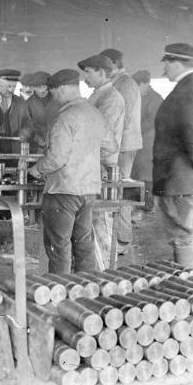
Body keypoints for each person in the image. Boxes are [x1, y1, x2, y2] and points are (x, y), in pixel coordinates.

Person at [29, 70, 117, 274]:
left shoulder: (66, 118)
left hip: (63, 190)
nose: (55, 98)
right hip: (89, 190)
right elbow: (110, 147)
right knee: (84, 244)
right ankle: (85, 290)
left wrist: (36, 169)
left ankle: (60, 294)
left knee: (59, 247)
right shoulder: (95, 113)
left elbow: (56, 159)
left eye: (54, 93)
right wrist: (88, 158)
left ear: (61, 89)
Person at [153, 43, 193, 273]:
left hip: (178, 178)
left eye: (167, 65)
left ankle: (189, 291)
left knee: (181, 236)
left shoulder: (185, 92)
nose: (164, 71)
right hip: (192, 178)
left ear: (176, 63)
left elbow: (191, 132)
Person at [78, 54, 125, 266]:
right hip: (91, 167)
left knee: (102, 225)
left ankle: (107, 275)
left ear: (102, 72)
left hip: (102, 168)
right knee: (92, 224)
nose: (85, 77)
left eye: (88, 72)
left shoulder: (111, 98)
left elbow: (101, 137)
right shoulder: (97, 95)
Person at [99, 49, 142, 255]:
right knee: (116, 189)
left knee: (119, 189)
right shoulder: (121, 82)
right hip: (121, 144)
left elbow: (121, 121)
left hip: (123, 145)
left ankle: (123, 239)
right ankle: (119, 237)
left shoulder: (125, 84)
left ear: (114, 64)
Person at [131, 70, 163, 213]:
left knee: (147, 179)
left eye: (137, 85)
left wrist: (132, 128)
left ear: (145, 84)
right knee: (139, 178)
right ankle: (141, 209)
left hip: (149, 145)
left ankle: (147, 210)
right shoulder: (140, 97)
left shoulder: (155, 99)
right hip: (140, 145)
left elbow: (151, 122)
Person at [22, 71, 52, 152]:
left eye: (45, 86)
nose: (43, 90)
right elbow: (27, 126)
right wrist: (38, 139)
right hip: (37, 148)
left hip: (58, 147)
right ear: (33, 87)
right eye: (39, 87)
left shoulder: (59, 101)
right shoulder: (28, 104)